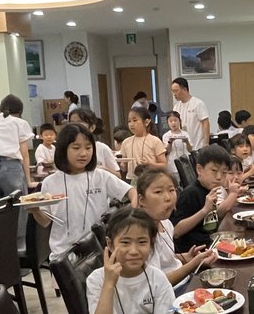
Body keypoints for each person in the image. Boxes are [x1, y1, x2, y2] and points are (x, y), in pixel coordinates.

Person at [32, 124, 133, 261]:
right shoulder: (50, 182)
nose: (83, 153)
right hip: (62, 254)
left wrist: (134, 214)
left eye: (88, 147)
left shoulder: (100, 176)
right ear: (63, 149)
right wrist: (35, 210)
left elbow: (131, 191)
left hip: (96, 250)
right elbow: (45, 222)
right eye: (76, 148)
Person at [134, 167, 216, 287]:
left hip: (185, 281)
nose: (168, 198)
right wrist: (192, 264)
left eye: (171, 190)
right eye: (158, 192)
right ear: (141, 200)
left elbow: (164, 260)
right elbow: (156, 284)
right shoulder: (141, 235)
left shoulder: (166, 223)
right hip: (171, 291)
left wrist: (185, 257)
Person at [171, 145, 243, 254]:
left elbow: (215, 217)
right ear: (199, 169)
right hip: (196, 253)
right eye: (214, 170)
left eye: (224, 172)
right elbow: (176, 231)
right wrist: (204, 210)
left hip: (212, 245)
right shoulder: (191, 193)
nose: (219, 177)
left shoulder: (211, 189)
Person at [68, 108, 122, 177]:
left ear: (92, 127)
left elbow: (118, 176)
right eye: (72, 123)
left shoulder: (102, 148)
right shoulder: (66, 148)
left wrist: (103, 169)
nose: (75, 127)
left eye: (80, 123)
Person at [118, 108, 167, 179]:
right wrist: (118, 164)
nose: (131, 124)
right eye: (129, 121)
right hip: (132, 180)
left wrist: (150, 164)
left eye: (135, 120)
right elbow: (124, 167)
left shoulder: (155, 141)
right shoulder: (126, 142)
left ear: (146, 122)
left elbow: (164, 165)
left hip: (151, 179)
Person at [169, 77, 210, 147]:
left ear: (185, 89)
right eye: (173, 91)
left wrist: (206, 142)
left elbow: (205, 122)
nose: (174, 94)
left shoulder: (198, 103)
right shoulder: (176, 107)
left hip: (198, 145)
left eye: (176, 91)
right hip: (183, 146)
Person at [161, 110, 192, 184]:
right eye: (170, 121)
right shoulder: (166, 135)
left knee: (187, 183)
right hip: (172, 165)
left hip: (185, 164)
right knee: (176, 184)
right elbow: (167, 151)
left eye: (175, 120)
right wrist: (170, 142)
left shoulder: (185, 134)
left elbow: (190, 150)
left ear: (179, 121)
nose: (173, 123)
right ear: (168, 123)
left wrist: (187, 142)